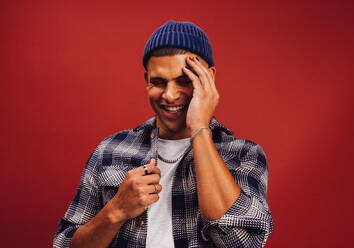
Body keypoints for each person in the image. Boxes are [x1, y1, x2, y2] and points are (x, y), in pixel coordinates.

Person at [54, 20, 273, 248]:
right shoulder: (109, 151)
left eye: (184, 81)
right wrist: (115, 211)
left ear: (209, 78)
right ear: (146, 80)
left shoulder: (243, 154)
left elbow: (243, 243)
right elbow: (64, 245)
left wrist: (199, 127)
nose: (169, 95)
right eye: (158, 82)